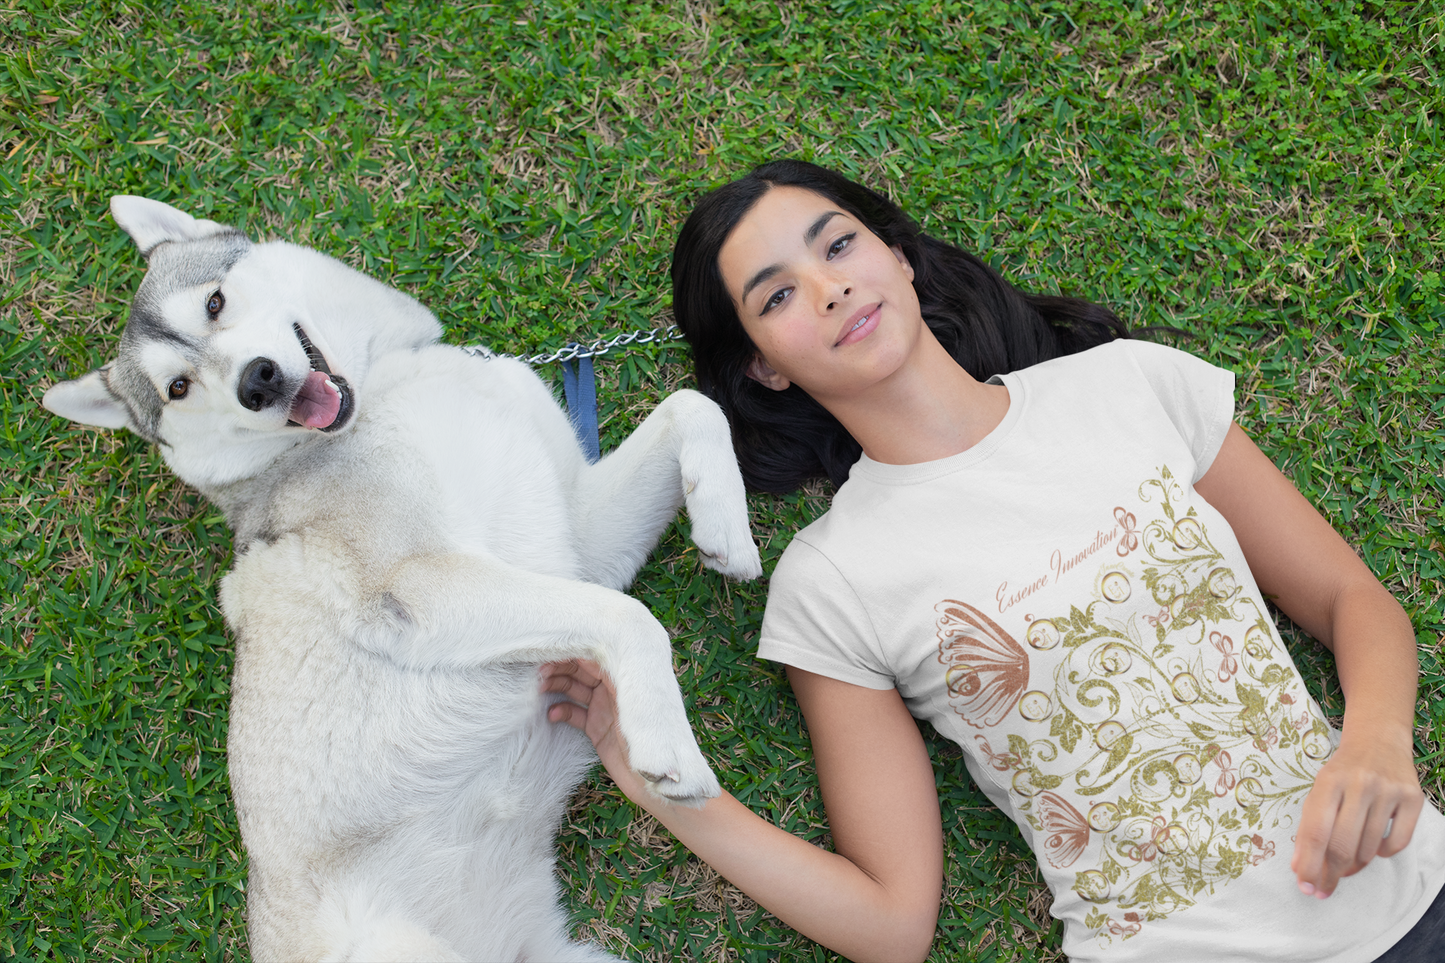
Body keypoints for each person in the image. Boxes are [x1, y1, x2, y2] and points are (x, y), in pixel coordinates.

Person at [541, 160, 1445, 962]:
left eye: (838, 245)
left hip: (1419, 890)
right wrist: (655, 776)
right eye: (775, 297)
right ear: (763, 368)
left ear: (898, 256)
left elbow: (1347, 595)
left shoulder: (1129, 383)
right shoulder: (829, 581)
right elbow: (892, 925)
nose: (827, 288)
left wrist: (1375, 740)